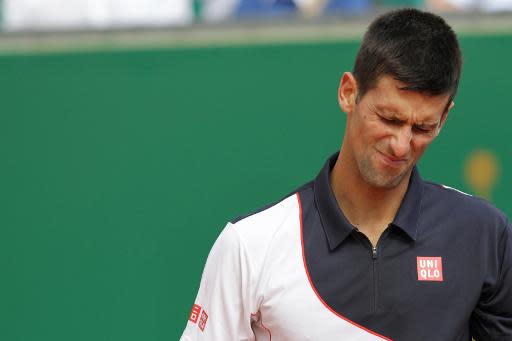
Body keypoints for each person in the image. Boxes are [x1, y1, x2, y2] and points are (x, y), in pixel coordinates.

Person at [180, 8, 512, 341]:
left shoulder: (486, 235)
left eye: (423, 127)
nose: (401, 145)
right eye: (388, 119)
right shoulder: (249, 246)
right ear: (348, 92)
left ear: (445, 117)